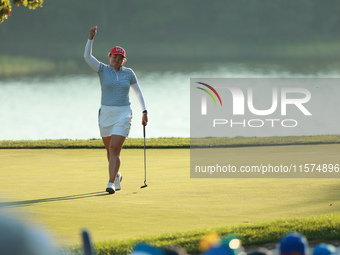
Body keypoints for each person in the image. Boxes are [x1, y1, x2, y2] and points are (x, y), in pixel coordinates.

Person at [84, 25, 148, 194]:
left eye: (120, 58)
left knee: (114, 149)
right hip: (105, 113)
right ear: (109, 56)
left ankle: (110, 182)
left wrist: (144, 111)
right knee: (109, 150)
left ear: (123, 60)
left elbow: (138, 92)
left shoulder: (129, 73)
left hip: (123, 114)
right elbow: (87, 56)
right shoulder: (102, 69)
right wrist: (91, 38)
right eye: (115, 57)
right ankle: (117, 175)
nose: (117, 60)